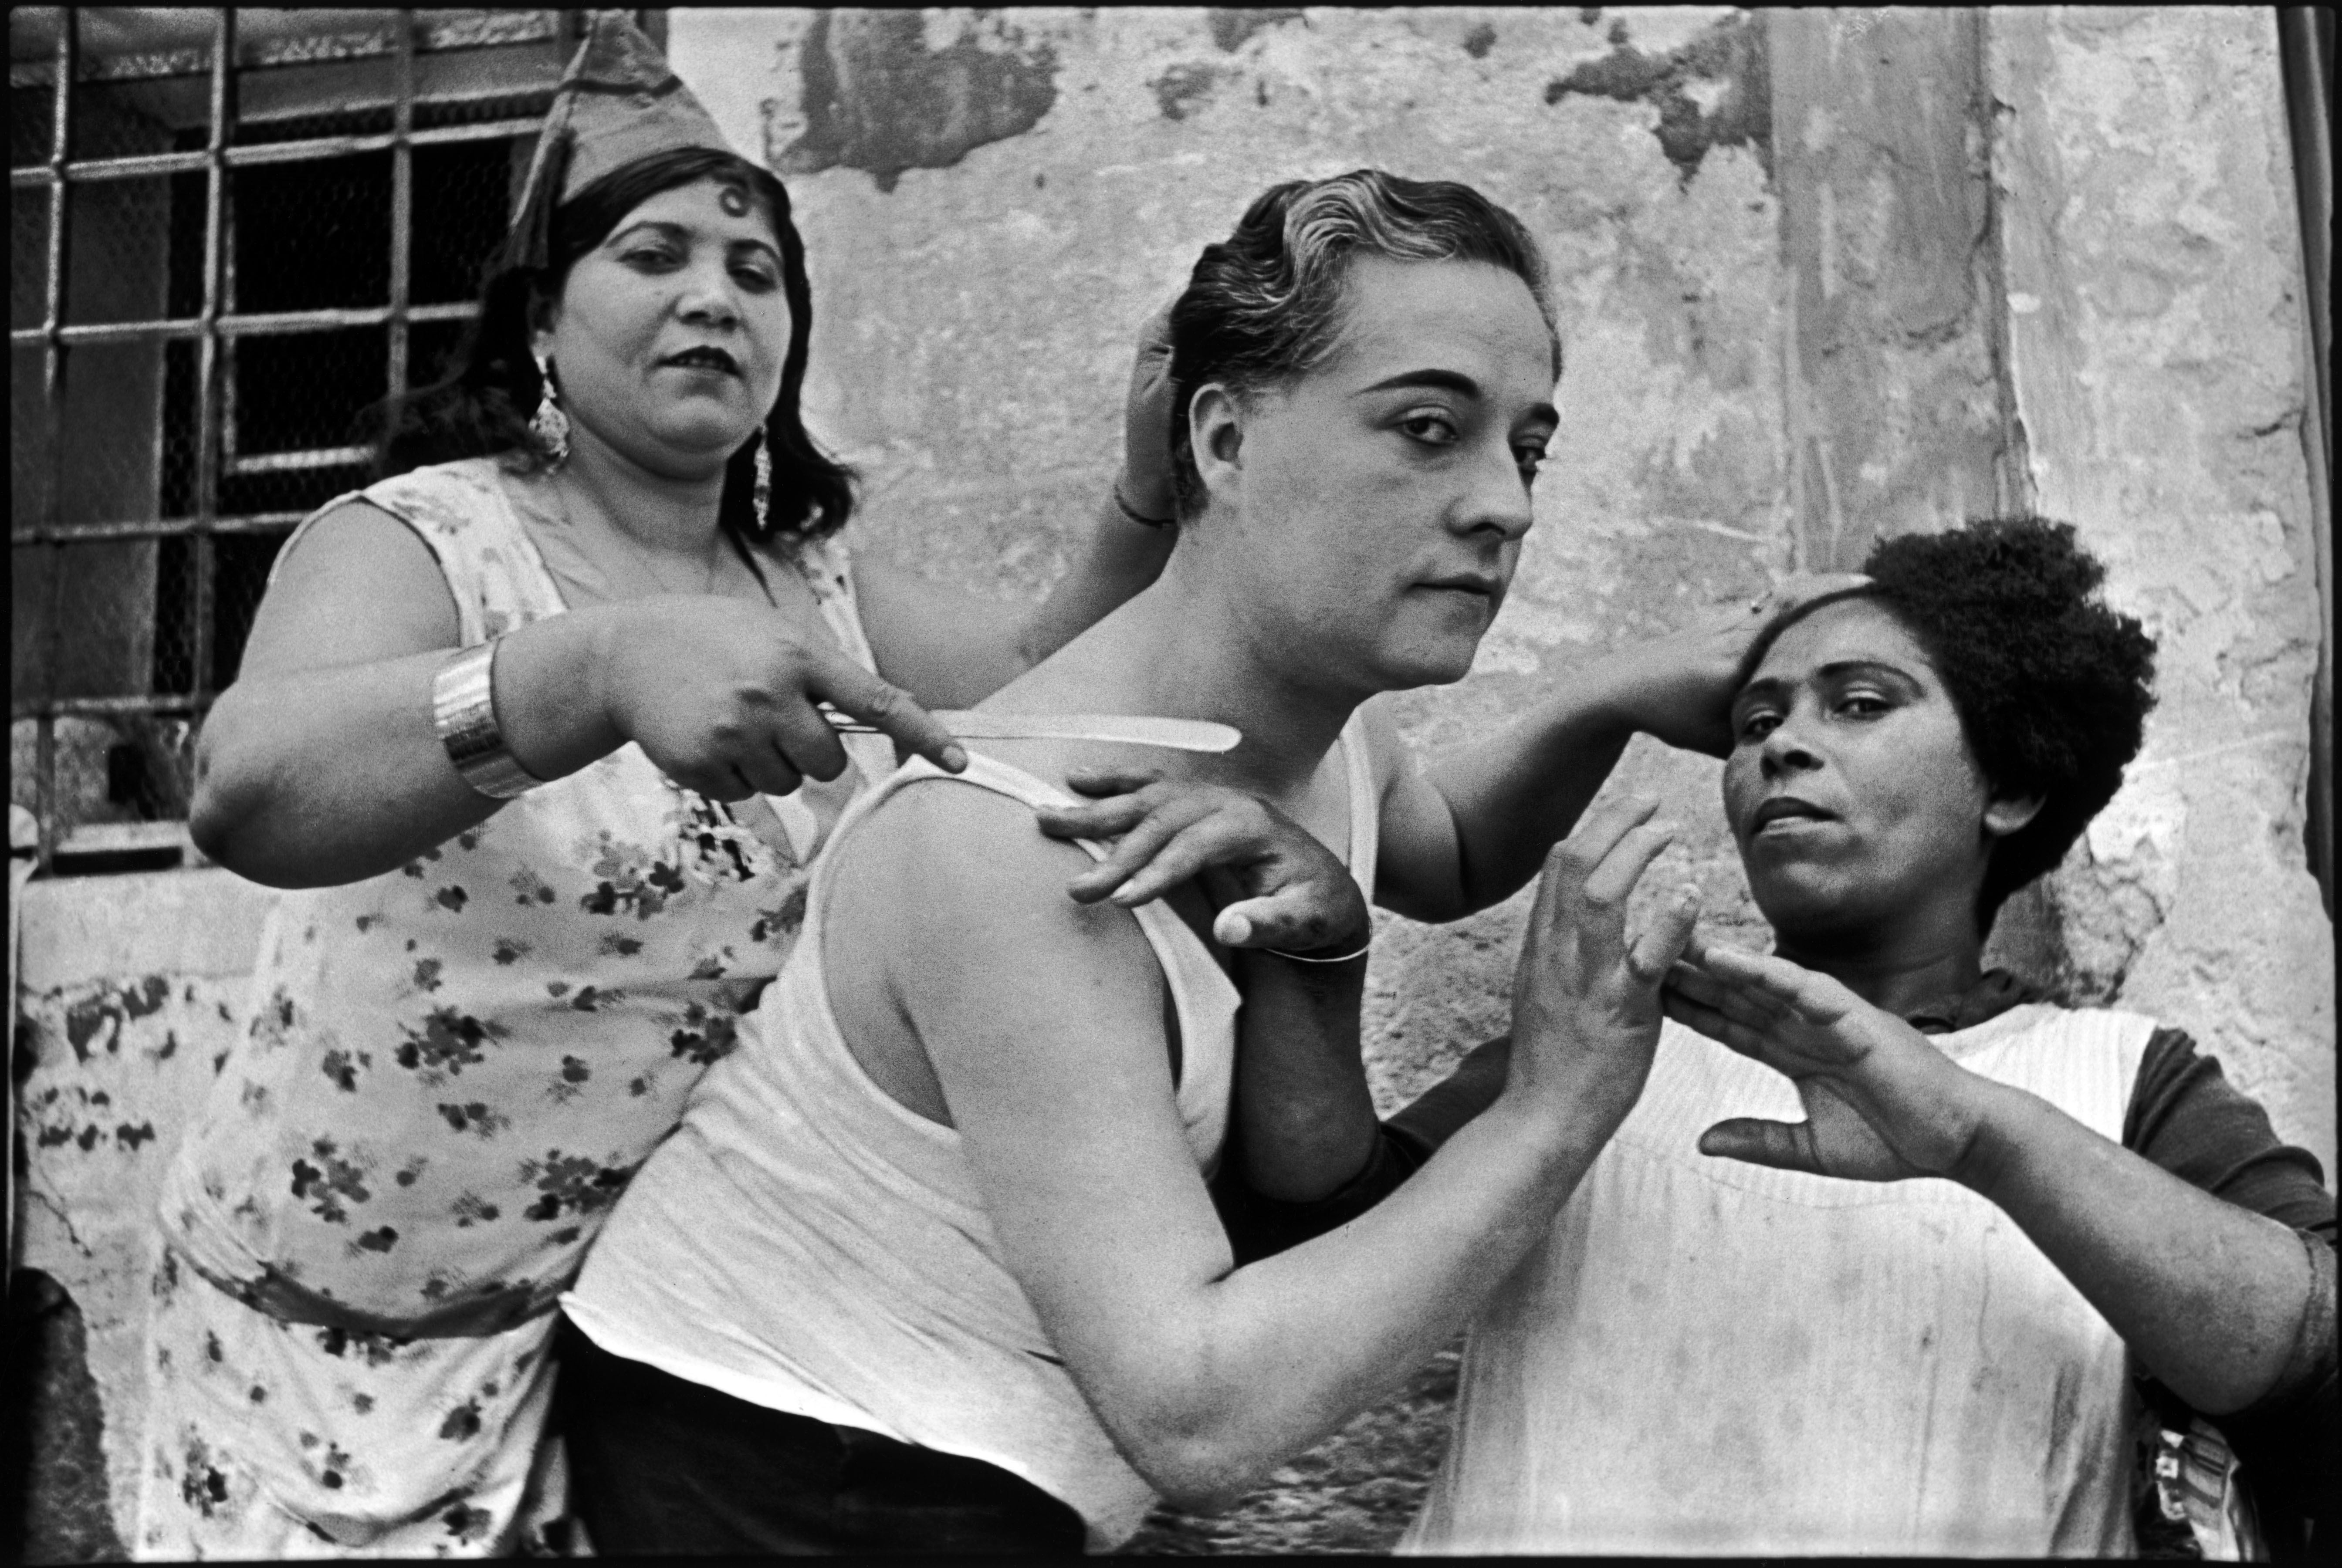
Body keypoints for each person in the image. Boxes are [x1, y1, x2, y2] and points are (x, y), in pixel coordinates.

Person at [555, 167, 1851, 1554]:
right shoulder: (1021, 843)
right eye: (1429, 430)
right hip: (782, 1477)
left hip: (997, 1482)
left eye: (1527, 452)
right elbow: (1201, 1422)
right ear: (1224, 442)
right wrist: (1556, 1102)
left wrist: (1616, 696)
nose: (1506, 508)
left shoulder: (1320, 733)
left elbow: (1452, 851)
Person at [138, 15, 1185, 1558]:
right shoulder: (425, 541)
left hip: (606, 1351)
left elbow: (1039, 687)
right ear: (540, 329)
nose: (713, 295)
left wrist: (1146, 494)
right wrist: (596, 669)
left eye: (755, 274)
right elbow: (246, 790)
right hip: (310, 1354)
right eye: (655, 254)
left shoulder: (815, 588)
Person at [1360, 519, 2335, 1556]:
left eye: (1860, 704)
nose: (1779, 744)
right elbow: (1317, 1260)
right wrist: (1319, 960)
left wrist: (1980, 1140)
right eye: (1752, 722)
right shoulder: (1608, 1036)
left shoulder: (2124, 1082)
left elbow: (2313, 1363)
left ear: (2008, 788)